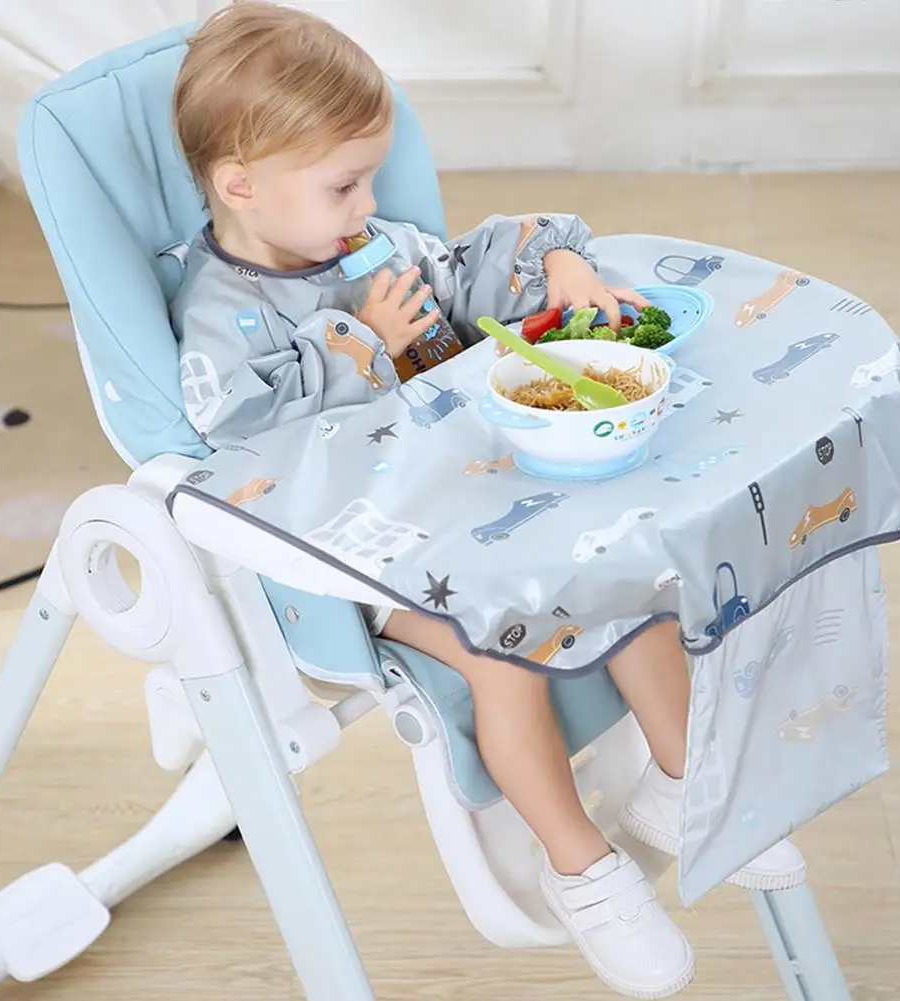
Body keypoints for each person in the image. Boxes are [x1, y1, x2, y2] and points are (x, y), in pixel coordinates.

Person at [171, 4, 805, 996]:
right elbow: (245, 439)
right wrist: (366, 344)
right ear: (240, 185)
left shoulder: (370, 245)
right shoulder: (225, 316)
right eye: (343, 184)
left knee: (623, 578)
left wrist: (562, 262)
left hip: (468, 510)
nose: (366, 205)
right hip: (357, 557)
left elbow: (472, 264)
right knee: (504, 655)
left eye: (369, 178)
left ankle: (690, 784)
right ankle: (581, 871)